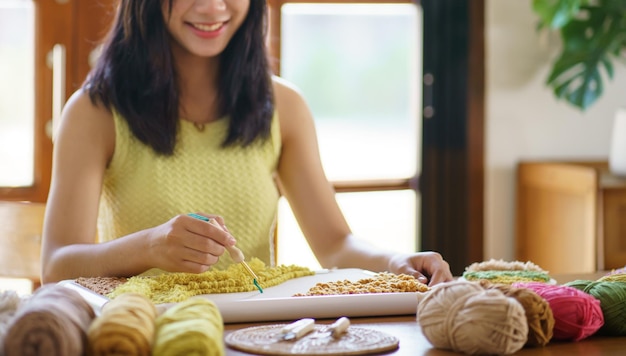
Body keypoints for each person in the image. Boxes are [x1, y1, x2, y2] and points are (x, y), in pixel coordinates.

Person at [41, 0, 452, 286]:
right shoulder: (94, 111)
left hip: (259, 339)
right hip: (146, 334)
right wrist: (149, 246)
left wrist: (396, 263)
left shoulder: (284, 106)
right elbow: (56, 265)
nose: (213, 8)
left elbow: (335, 245)